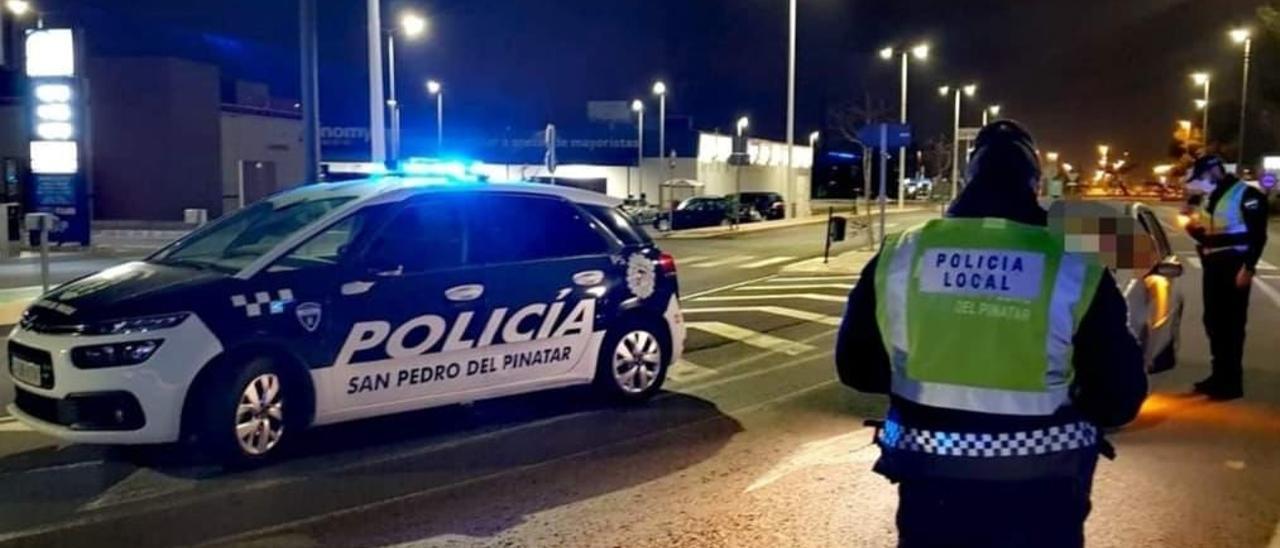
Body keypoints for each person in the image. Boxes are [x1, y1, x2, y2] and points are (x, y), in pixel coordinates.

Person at [835, 120, 1147, 548]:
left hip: (931, 491)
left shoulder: (905, 252)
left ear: (966, 179)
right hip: (1043, 497)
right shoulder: (1075, 263)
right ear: (1035, 184)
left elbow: (857, 369)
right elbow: (1119, 398)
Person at [1183, 154, 1269, 400]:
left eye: (1202, 176)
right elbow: (1209, 234)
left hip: (1235, 266)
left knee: (1231, 325)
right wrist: (1190, 225)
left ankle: (1231, 383)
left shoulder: (1247, 195)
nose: (1201, 182)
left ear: (1215, 171)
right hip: (1213, 265)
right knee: (1213, 321)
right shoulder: (1211, 198)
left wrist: (1249, 268)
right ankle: (1218, 375)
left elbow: (1258, 235)